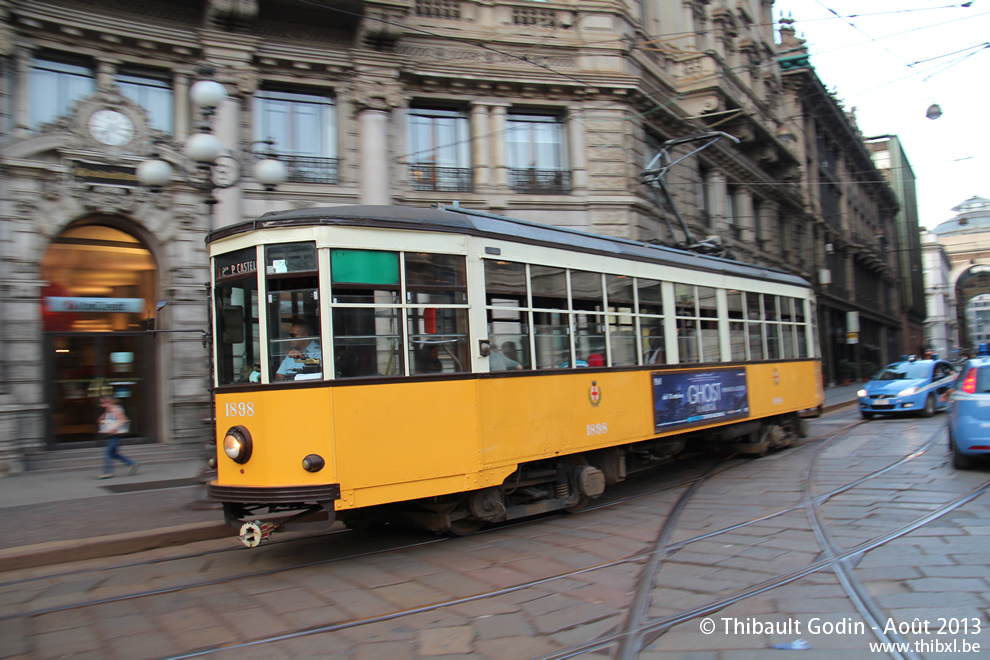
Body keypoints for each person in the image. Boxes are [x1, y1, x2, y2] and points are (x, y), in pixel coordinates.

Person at [97, 396, 138, 479]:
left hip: (116, 435)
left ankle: (107, 472)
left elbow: (123, 420)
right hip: (112, 435)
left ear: (108, 402)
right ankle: (132, 463)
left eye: (102, 403)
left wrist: (113, 429)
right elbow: (99, 420)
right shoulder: (109, 410)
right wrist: (105, 413)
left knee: (108, 453)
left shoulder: (116, 409)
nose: (101, 405)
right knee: (113, 454)